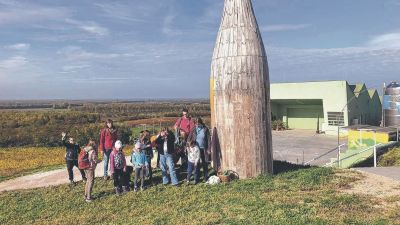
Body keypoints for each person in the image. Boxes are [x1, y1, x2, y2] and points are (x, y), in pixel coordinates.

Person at [188, 117, 211, 182]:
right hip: (195, 149)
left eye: (198, 123)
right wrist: (188, 147)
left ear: (201, 122)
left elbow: (209, 140)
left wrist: (209, 149)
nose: (197, 125)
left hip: (203, 148)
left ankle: (206, 177)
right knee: (196, 164)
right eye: (196, 123)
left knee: (205, 163)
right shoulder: (193, 129)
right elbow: (189, 139)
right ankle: (197, 178)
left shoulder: (205, 129)